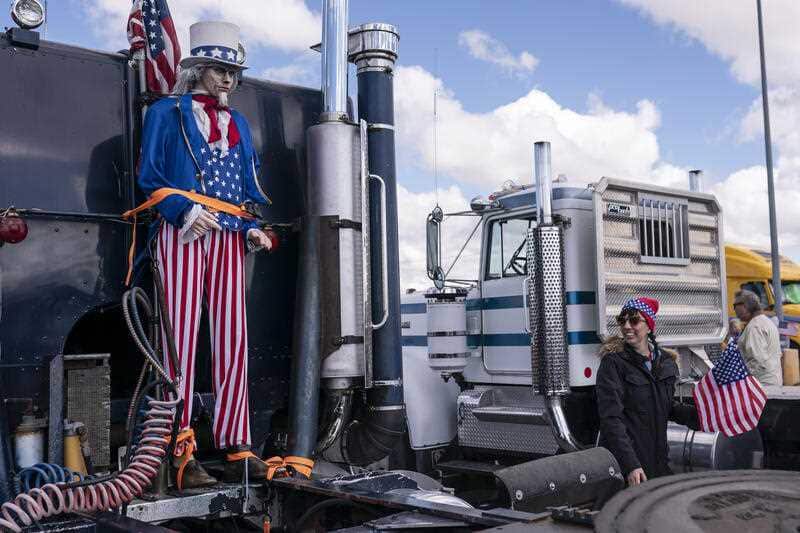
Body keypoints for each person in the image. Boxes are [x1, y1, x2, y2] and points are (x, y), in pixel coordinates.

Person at [137, 21, 274, 489]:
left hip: (230, 235)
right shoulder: (166, 112)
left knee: (233, 339)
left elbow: (245, 186)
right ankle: (179, 449)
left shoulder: (238, 123)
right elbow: (150, 178)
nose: (227, 80)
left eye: (232, 72)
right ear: (197, 69)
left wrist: (253, 227)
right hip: (184, 233)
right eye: (218, 69)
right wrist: (180, 210)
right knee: (178, 341)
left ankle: (238, 444)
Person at [595, 297, 699, 486]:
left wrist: (701, 417)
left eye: (634, 320)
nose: (627, 326)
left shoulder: (665, 362)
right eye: (622, 320)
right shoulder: (613, 364)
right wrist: (631, 465)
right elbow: (612, 419)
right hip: (627, 467)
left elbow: (667, 407)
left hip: (658, 462)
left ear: (649, 326)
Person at [733, 290, 783, 386]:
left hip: (762, 385)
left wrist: (736, 376)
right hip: (773, 380)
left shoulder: (754, 327)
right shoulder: (767, 322)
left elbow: (757, 361)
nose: (734, 310)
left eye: (735, 306)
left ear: (744, 306)